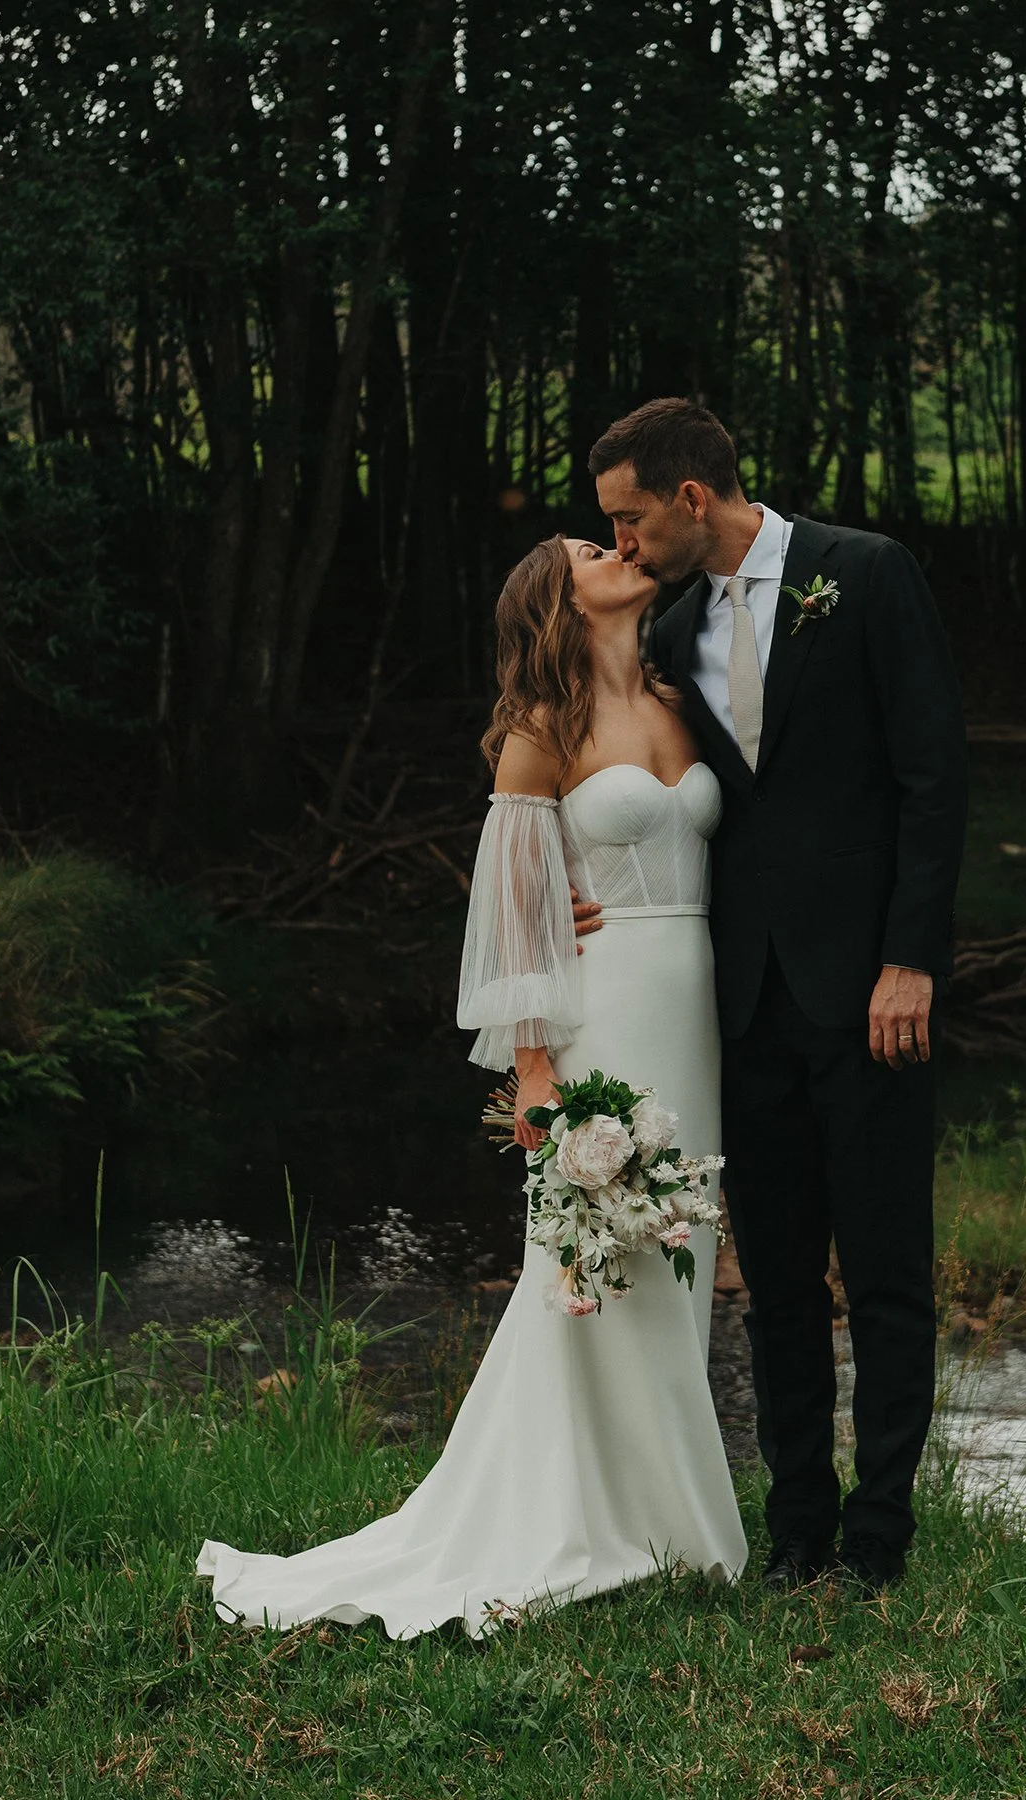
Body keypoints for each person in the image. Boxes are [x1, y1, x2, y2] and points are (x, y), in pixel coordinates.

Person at [196, 534, 746, 1637]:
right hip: (608, 1012)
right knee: (598, 1249)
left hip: (699, 1008)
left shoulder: (688, 698)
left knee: (677, 1238)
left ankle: (666, 1503)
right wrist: (537, 1073)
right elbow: (510, 915)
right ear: (556, 595)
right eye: (594, 546)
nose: (622, 547)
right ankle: (614, 1514)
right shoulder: (540, 733)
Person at [589, 398, 967, 1592]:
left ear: (691, 498)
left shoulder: (866, 573)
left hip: (869, 994)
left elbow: (932, 774)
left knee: (888, 1274)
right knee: (780, 1283)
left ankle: (879, 1539)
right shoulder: (671, 621)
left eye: (632, 517)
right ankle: (796, 1527)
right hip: (737, 1002)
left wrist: (909, 956)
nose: (623, 544)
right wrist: (575, 885)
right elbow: (593, 749)